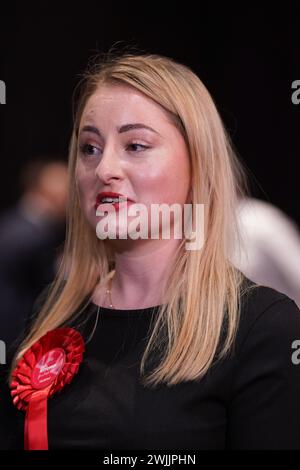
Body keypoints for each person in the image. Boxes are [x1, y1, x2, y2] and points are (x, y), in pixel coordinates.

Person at [1, 52, 300, 450]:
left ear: (198, 164)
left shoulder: (263, 329)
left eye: (136, 145)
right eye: (89, 148)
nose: (105, 167)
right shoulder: (53, 312)